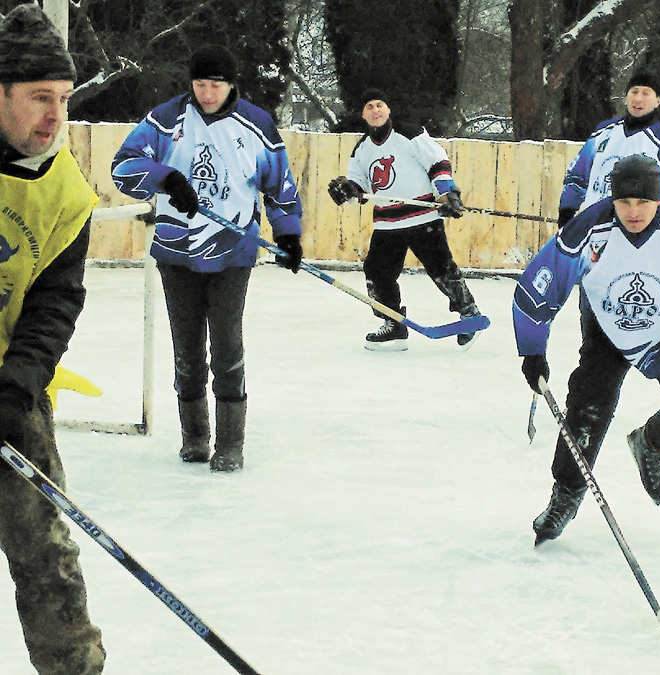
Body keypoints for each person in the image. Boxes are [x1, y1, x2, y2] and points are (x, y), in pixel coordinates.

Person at [513, 155, 660, 546]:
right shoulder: (590, 228)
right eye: (624, 202)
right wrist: (533, 349)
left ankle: (650, 443)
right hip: (606, 328)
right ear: (612, 198)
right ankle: (566, 495)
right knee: (588, 409)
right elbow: (540, 288)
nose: (633, 212)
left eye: (643, 202)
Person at [111, 44, 303, 472]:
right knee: (187, 350)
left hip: (232, 252)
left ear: (231, 83)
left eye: (215, 84)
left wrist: (288, 234)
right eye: (199, 84)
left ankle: (230, 443)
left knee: (227, 345)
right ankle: (195, 437)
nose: (207, 93)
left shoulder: (257, 124)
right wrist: (166, 177)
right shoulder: (166, 119)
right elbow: (122, 165)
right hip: (176, 253)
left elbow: (280, 186)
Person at [0, 4, 106, 672]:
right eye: (40, 97)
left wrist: (21, 381)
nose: (54, 116)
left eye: (63, 99)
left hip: (11, 386)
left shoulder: (66, 190)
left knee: (46, 557)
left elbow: (56, 298)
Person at [327, 89, 482, 350]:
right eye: (369, 107)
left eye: (379, 105)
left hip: (422, 216)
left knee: (441, 268)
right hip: (387, 222)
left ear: (388, 110)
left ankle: (470, 314)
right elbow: (361, 189)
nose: (375, 110)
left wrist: (446, 192)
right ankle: (393, 324)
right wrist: (348, 192)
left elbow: (438, 162)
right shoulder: (361, 149)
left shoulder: (410, 134)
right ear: (363, 114)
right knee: (377, 273)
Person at [558, 71, 660, 229]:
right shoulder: (603, 132)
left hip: (634, 237)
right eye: (634, 91)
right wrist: (567, 210)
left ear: (658, 101)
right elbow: (578, 175)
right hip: (592, 231)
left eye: (646, 93)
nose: (638, 98)